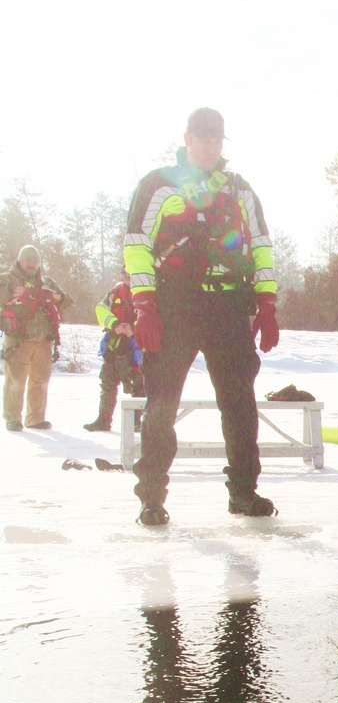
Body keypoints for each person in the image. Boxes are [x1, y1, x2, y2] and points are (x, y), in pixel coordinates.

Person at [123, 106, 279, 526]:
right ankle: (152, 496)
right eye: (203, 138)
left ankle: (243, 492)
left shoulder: (240, 189)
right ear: (187, 139)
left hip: (228, 304)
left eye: (217, 139)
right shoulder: (158, 184)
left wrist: (267, 301)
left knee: (240, 403)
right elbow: (136, 244)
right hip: (174, 304)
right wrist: (144, 304)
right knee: (162, 404)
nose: (210, 146)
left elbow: (261, 246)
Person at [1, 245, 69, 431]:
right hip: (18, 339)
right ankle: (13, 417)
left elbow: (67, 302)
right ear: (20, 260)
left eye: (35, 260)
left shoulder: (47, 282)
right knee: (16, 379)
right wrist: (11, 293)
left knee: (41, 379)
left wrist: (58, 297)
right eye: (28, 260)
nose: (31, 264)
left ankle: (35, 418)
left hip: (44, 339)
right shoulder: (7, 280)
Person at [84, 271, 144, 431]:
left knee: (139, 385)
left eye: (132, 274)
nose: (128, 277)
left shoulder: (147, 291)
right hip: (115, 344)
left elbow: (153, 316)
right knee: (108, 382)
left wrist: (132, 329)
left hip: (137, 345)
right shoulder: (115, 291)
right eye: (125, 273)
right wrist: (115, 325)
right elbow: (101, 309)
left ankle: (136, 422)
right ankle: (103, 420)